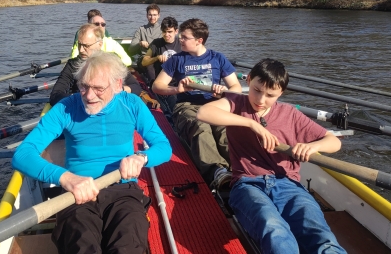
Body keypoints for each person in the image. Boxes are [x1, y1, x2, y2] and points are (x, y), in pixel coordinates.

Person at [12, 51, 172, 254]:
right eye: (83, 86)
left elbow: (163, 147)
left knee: (128, 247)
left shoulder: (132, 104)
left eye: (98, 88)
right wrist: (66, 178)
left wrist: (141, 158)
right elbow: (23, 154)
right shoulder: (67, 108)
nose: (88, 96)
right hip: (77, 194)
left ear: (117, 84)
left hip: (122, 190)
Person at [196, 59, 346, 254]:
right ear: (248, 80)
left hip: (289, 185)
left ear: (281, 93)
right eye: (257, 90)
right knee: (273, 227)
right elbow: (203, 112)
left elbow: (334, 142)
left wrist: (312, 147)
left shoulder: (290, 114)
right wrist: (253, 124)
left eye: (270, 95)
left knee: (320, 234)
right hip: (248, 184)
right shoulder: (235, 102)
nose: (260, 100)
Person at [151, 18, 242, 186]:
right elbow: (157, 86)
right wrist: (176, 90)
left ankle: (241, 167)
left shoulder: (218, 58)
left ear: (199, 41)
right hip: (187, 106)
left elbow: (236, 87)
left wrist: (224, 92)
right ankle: (217, 171)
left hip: (215, 105)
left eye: (185, 37)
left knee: (225, 129)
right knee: (201, 127)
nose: (180, 40)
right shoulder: (177, 59)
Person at [51, 23, 142, 105]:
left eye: (86, 46)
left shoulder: (113, 61)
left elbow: (136, 88)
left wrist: (117, 90)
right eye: (79, 45)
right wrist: (86, 97)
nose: (81, 50)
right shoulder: (73, 64)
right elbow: (56, 95)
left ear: (100, 44)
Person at [141, 16, 181, 88]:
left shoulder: (182, 43)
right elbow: (144, 62)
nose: (166, 35)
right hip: (161, 82)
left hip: (177, 81)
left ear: (176, 31)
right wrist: (157, 57)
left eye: (169, 32)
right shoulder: (156, 43)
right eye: (164, 31)